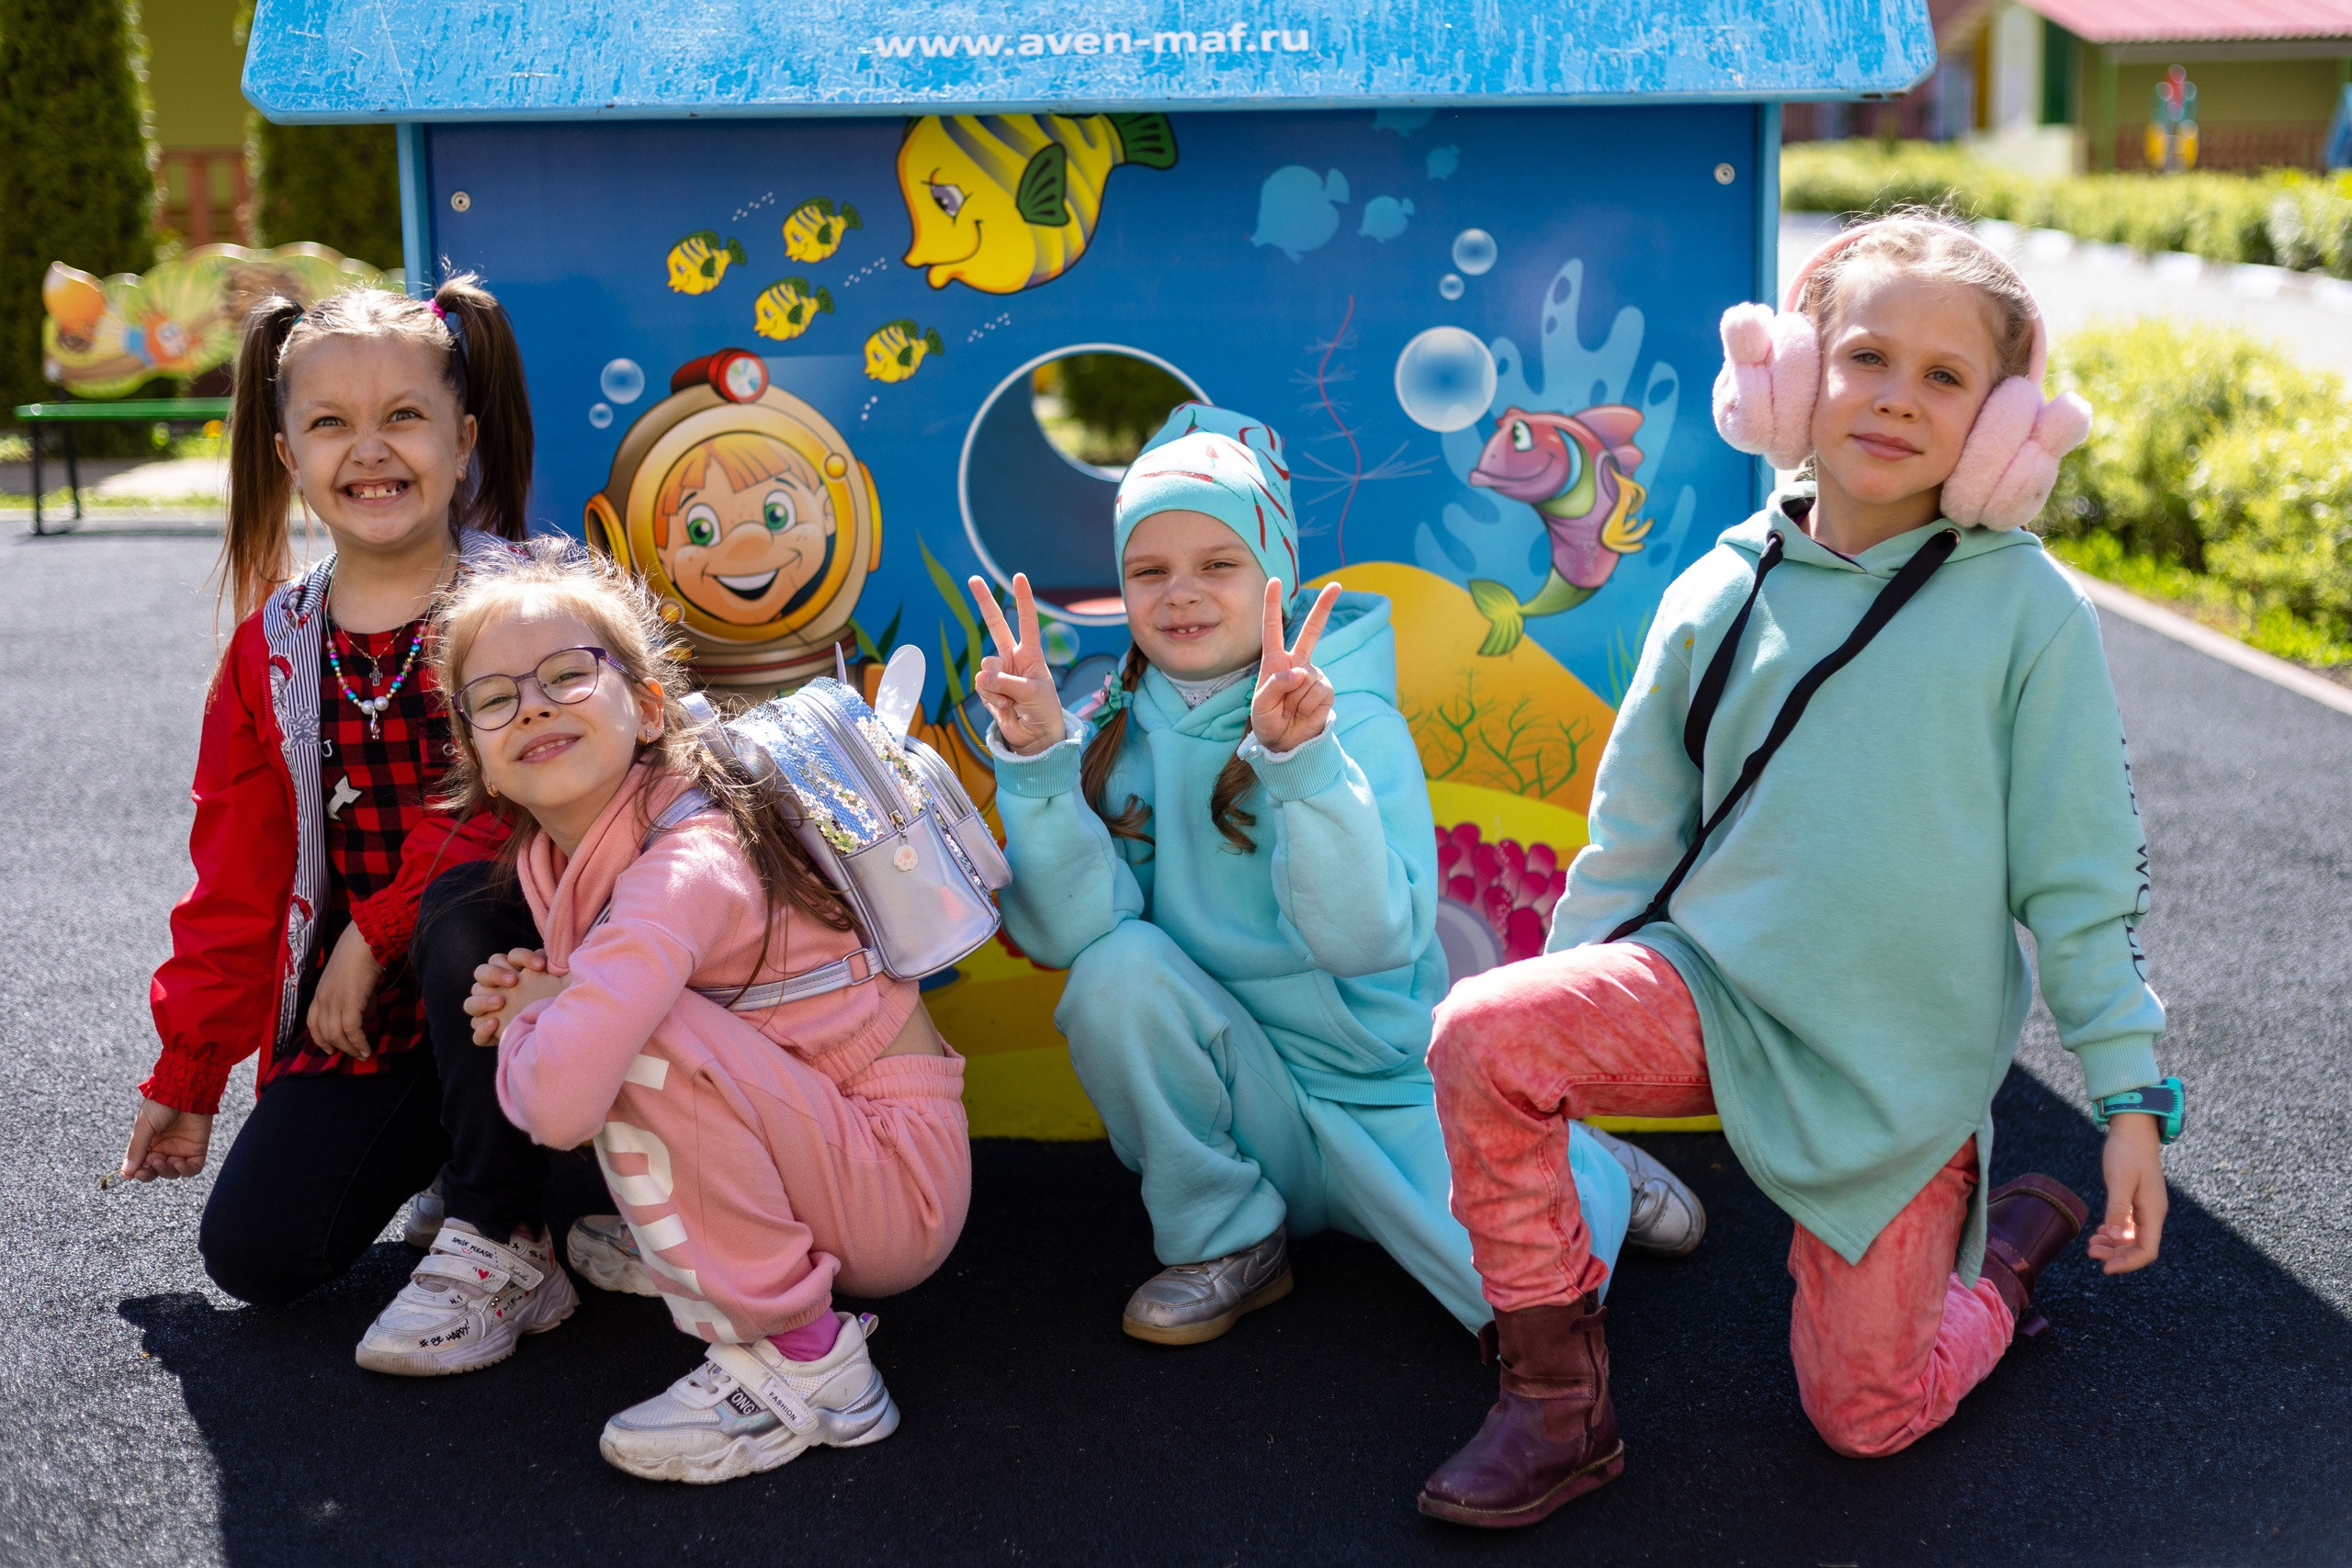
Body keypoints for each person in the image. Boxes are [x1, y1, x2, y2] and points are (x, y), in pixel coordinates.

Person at [1417, 212, 2178, 1528]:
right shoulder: (1717, 585)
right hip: (1708, 987)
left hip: (1898, 1060)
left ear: (2004, 424)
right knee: (1484, 1031)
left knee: (1866, 1421)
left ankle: (1994, 1270)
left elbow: (2080, 876)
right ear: (1790, 372)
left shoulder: (2029, 609)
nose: (1894, 397)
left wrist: (2126, 1100)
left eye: (1946, 378)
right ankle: (1554, 1401)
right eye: (1867, 355)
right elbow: (1634, 833)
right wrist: (1556, 1024)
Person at [967, 402, 1684, 1348]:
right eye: (1149, 570)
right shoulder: (1112, 731)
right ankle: (1229, 1241)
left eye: (1217, 563)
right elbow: (1070, 938)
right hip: (1239, 1106)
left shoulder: (1356, 727)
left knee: (1528, 1304)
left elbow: (1364, 941)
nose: (1180, 595)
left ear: (1276, 573)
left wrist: (1303, 768)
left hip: (1383, 1094)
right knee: (1114, 975)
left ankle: (1580, 1164)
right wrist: (1038, 769)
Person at [451, 546, 970, 1483]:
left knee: (631, 1038)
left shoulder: (684, 860)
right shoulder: (567, 852)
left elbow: (561, 1104)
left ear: (648, 709)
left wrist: (538, 1019)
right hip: (829, 1147)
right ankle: (709, 1250)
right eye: (495, 698)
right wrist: (558, 1007)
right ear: (480, 758)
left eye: (568, 676)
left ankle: (811, 1366)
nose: (532, 704)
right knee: (613, 1026)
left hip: (896, 1185)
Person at [122, 279, 560, 1363]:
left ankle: (508, 1230)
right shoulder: (272, 650)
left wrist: (374, 931)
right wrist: (189, 1076)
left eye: (403, 416)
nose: (370, 450)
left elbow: (513, 808)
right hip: (366, 1020)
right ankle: (467, 1165)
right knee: (254, 1255)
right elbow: (236, 876)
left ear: (463, 441)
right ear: (287, 457)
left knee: (468, 900)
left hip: (545, 985)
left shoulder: (528, 607)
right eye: (330, 424)